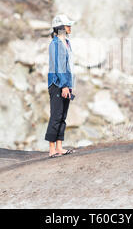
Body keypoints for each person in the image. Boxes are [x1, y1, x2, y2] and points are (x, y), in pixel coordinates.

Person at [45, 14, 76, 158]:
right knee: (56, 116)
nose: (70, 27)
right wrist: (64, 85)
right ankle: (51, 149)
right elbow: (58, 67)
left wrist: (69, 85)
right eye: (67, 25)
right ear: (60, 27)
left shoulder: (67, 43)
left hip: (65, 84)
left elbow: (68, 66)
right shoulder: (55, 44)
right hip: (57, 84)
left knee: (63, 116)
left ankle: (59, 147)